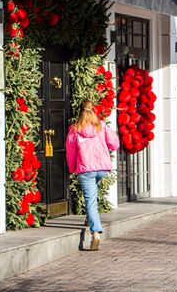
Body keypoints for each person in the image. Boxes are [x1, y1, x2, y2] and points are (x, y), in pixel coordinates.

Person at [66, 100, 120, 251]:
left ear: (80, 111)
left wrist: (72, 169)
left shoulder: (75, 129)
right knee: (92, 196)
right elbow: (114, 144)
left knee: (90, 201)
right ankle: (89, 218)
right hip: (102, 168)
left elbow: (71, 153)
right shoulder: (101, 126)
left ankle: (95, 233)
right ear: (93, 110)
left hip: (85, 169)